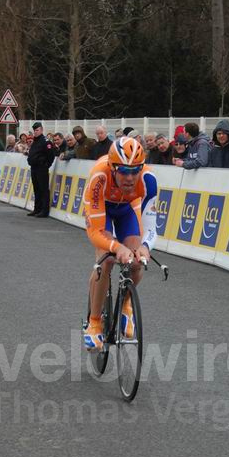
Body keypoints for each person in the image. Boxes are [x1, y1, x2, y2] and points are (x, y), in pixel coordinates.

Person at [82, 137, 158, 351]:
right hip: (101, 209)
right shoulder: (99, 176)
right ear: (112, 167)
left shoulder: (148, 180)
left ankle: (126, 304)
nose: (130, 177)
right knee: (105, 262)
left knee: (136, 261)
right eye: (124, 170)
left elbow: (152, 228)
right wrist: (116, 247)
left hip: (127, 209)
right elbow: (96, 232)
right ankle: (94, 322)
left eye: (135, 170)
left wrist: (145, 246)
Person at [27, 122, 57, 217]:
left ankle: (44, 211)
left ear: (41, 130)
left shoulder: (46, 141)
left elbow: (51, 155)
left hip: (41, 168)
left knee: (43, 189)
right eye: (34, 130)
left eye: (37, 130)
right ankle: (37, 208)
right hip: (34, 168)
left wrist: (46, 165)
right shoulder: (35, 141)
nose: (35, 132)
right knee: (36, 189)